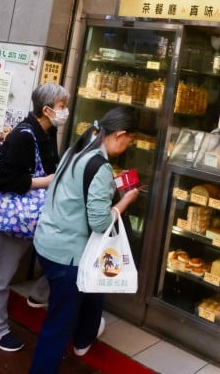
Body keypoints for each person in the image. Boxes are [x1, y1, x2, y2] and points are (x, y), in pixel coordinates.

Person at [29, 107, 140, 373]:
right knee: (57, 327)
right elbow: (100, 223)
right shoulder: (100, 167)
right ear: (120, 135)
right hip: (67, 255)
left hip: (46, 242)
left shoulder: (76, 151)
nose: (128, 146)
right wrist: (125, 201)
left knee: (87, 293)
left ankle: (84, 337)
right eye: (130, 140)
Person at [0, 83, 69, 352]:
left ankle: (39, 294)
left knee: (60, 259)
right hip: (18, 217)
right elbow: (4, 180)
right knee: (0, 275)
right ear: (46, 110)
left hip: (38, 213)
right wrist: (45, 182)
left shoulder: (48, 131)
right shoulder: (23, 136)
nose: (65, 111)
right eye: (62, 106)